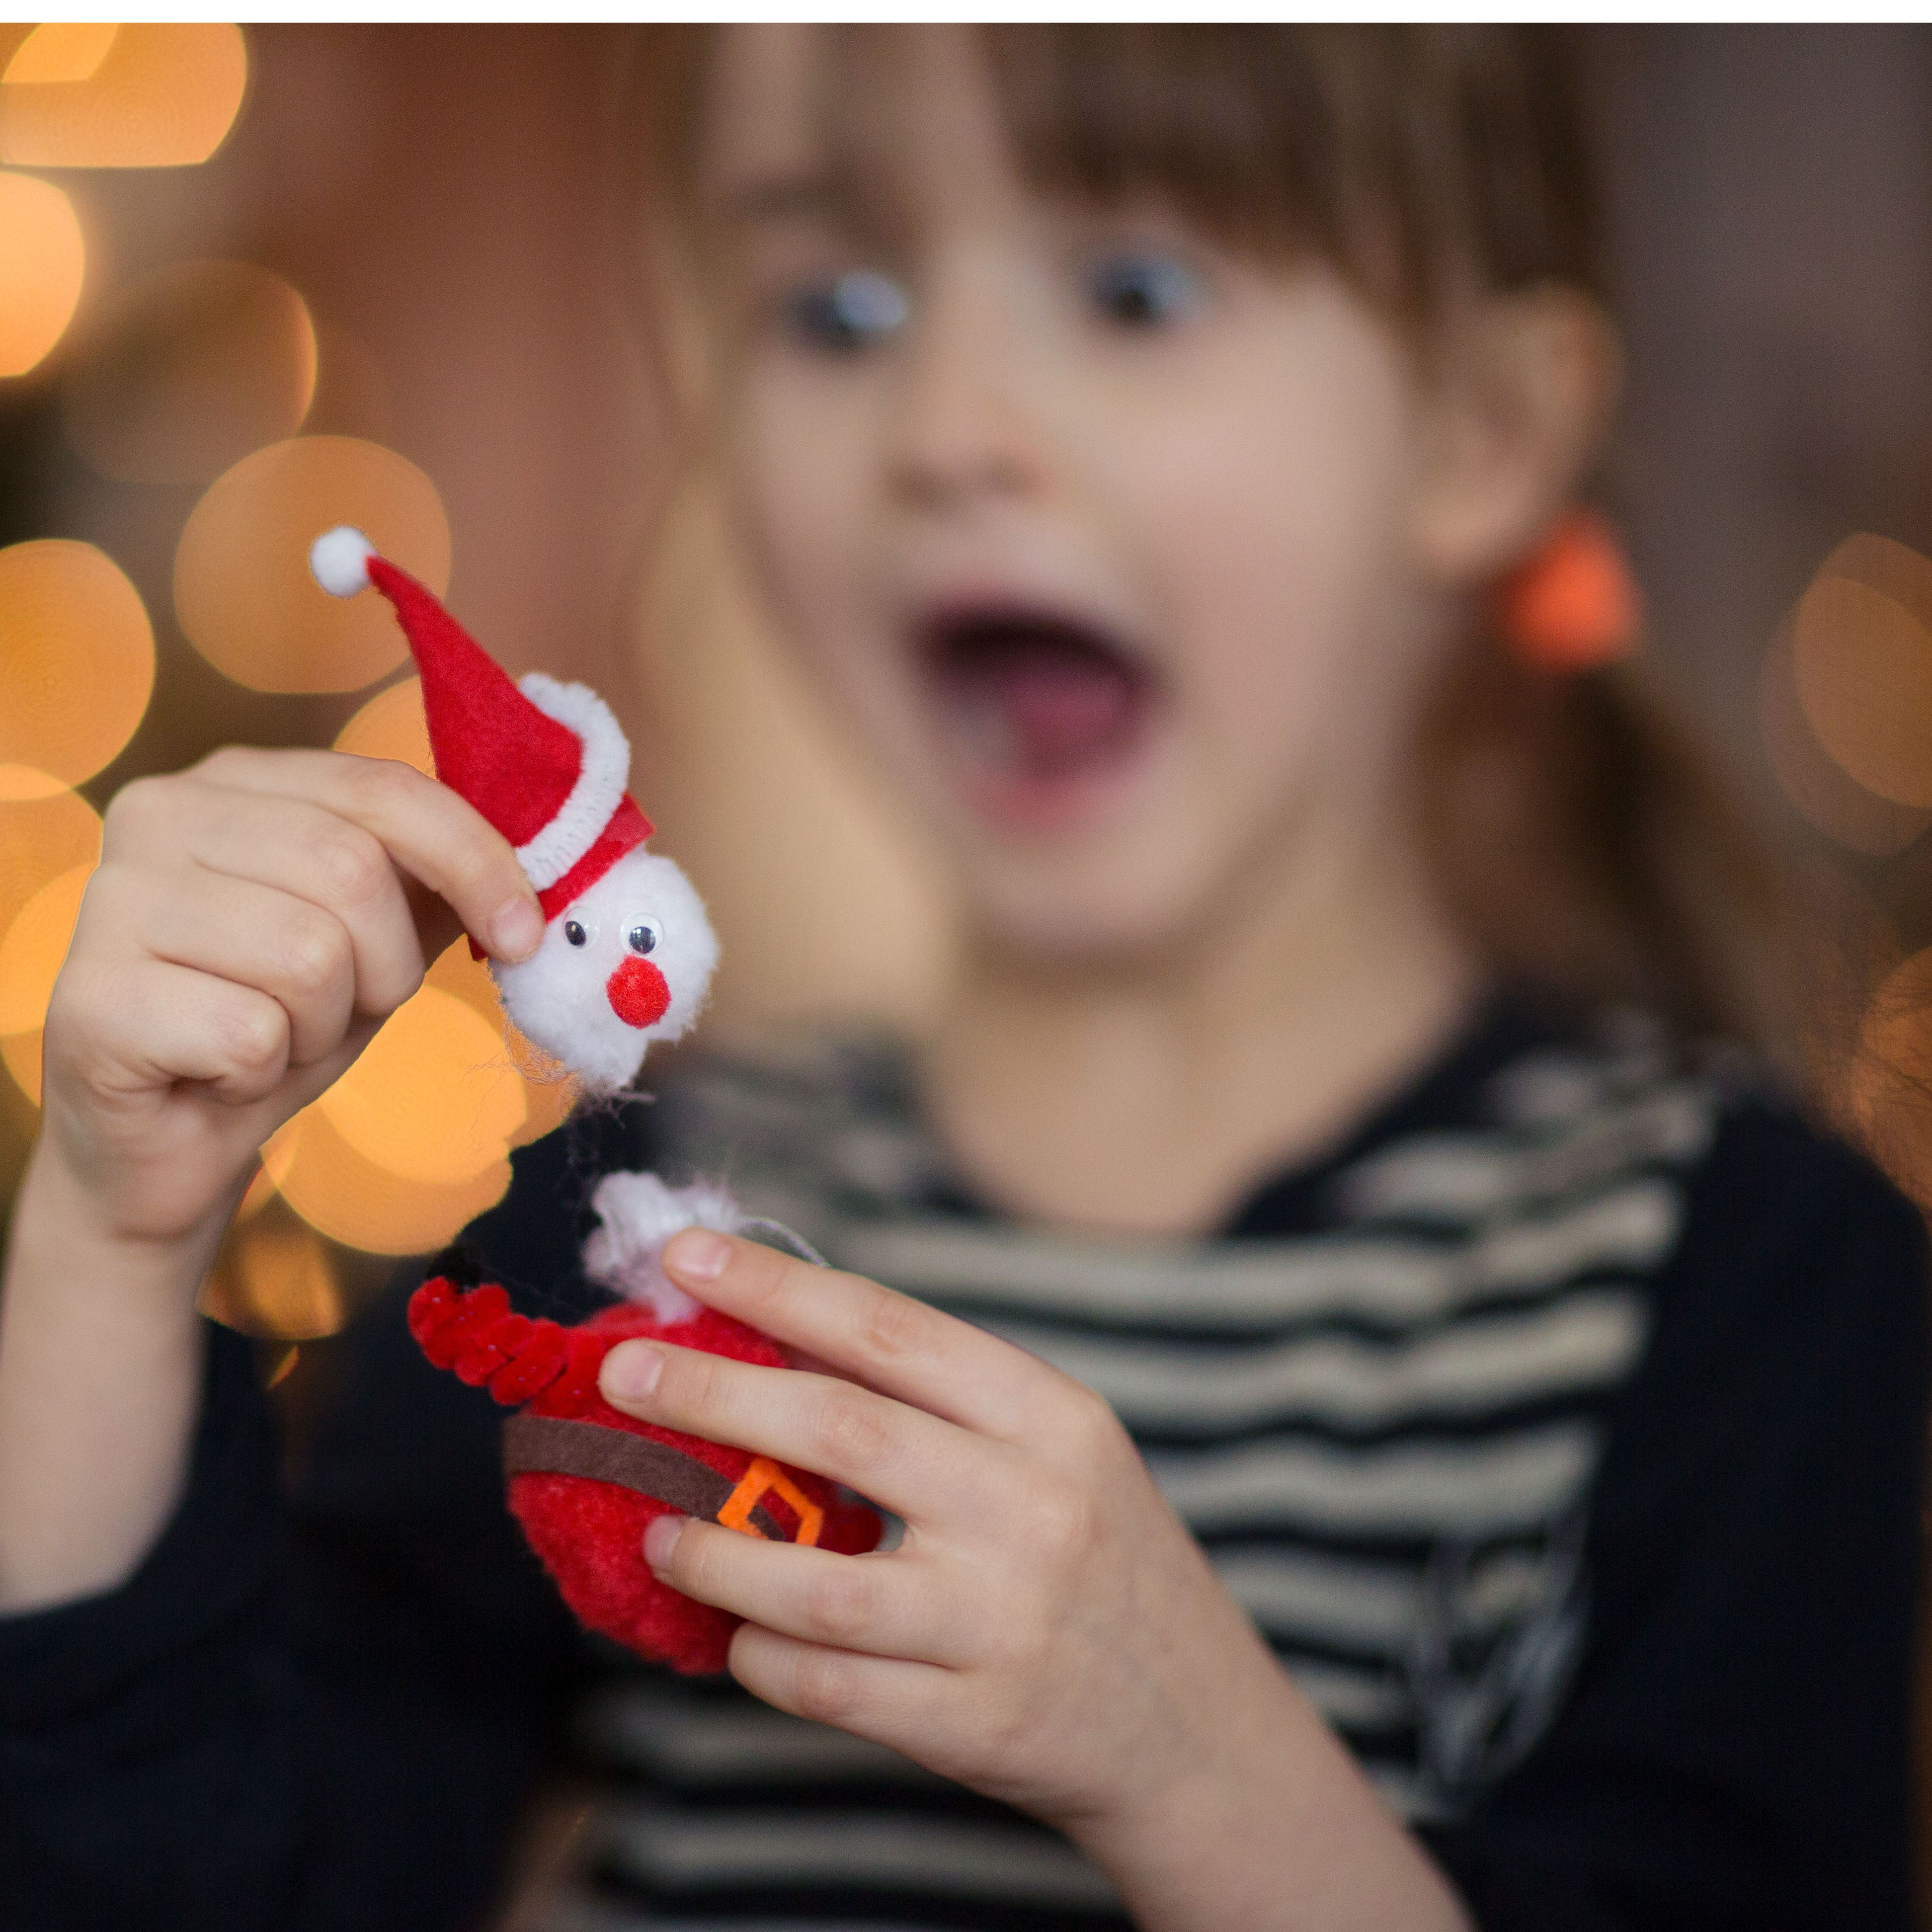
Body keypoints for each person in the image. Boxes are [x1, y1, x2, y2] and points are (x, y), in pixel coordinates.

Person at [1, 23, 1924, 1931]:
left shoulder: (1749, 1280)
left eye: (1137, 287)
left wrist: (1198, 1768)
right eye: (836, 311)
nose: (947, 429)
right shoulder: (612, 1233)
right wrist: (106, 1238)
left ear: (1483, 434)